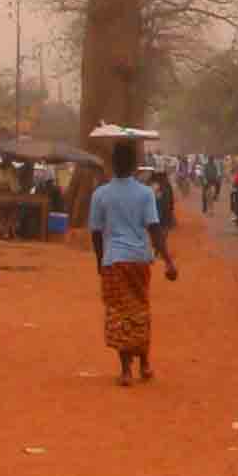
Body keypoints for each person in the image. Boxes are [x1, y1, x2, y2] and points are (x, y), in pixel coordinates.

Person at [89, 139, 177, 388]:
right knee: (140, 309)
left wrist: (100, 262)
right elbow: (154, 229)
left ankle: (126, 370)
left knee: (119, 313)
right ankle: (145, 364)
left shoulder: (100, 194)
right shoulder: (145, 193)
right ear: (134, 165)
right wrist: (168, 261)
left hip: (114, 260)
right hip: (139, 259)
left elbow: (96, 233)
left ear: (113, 163)